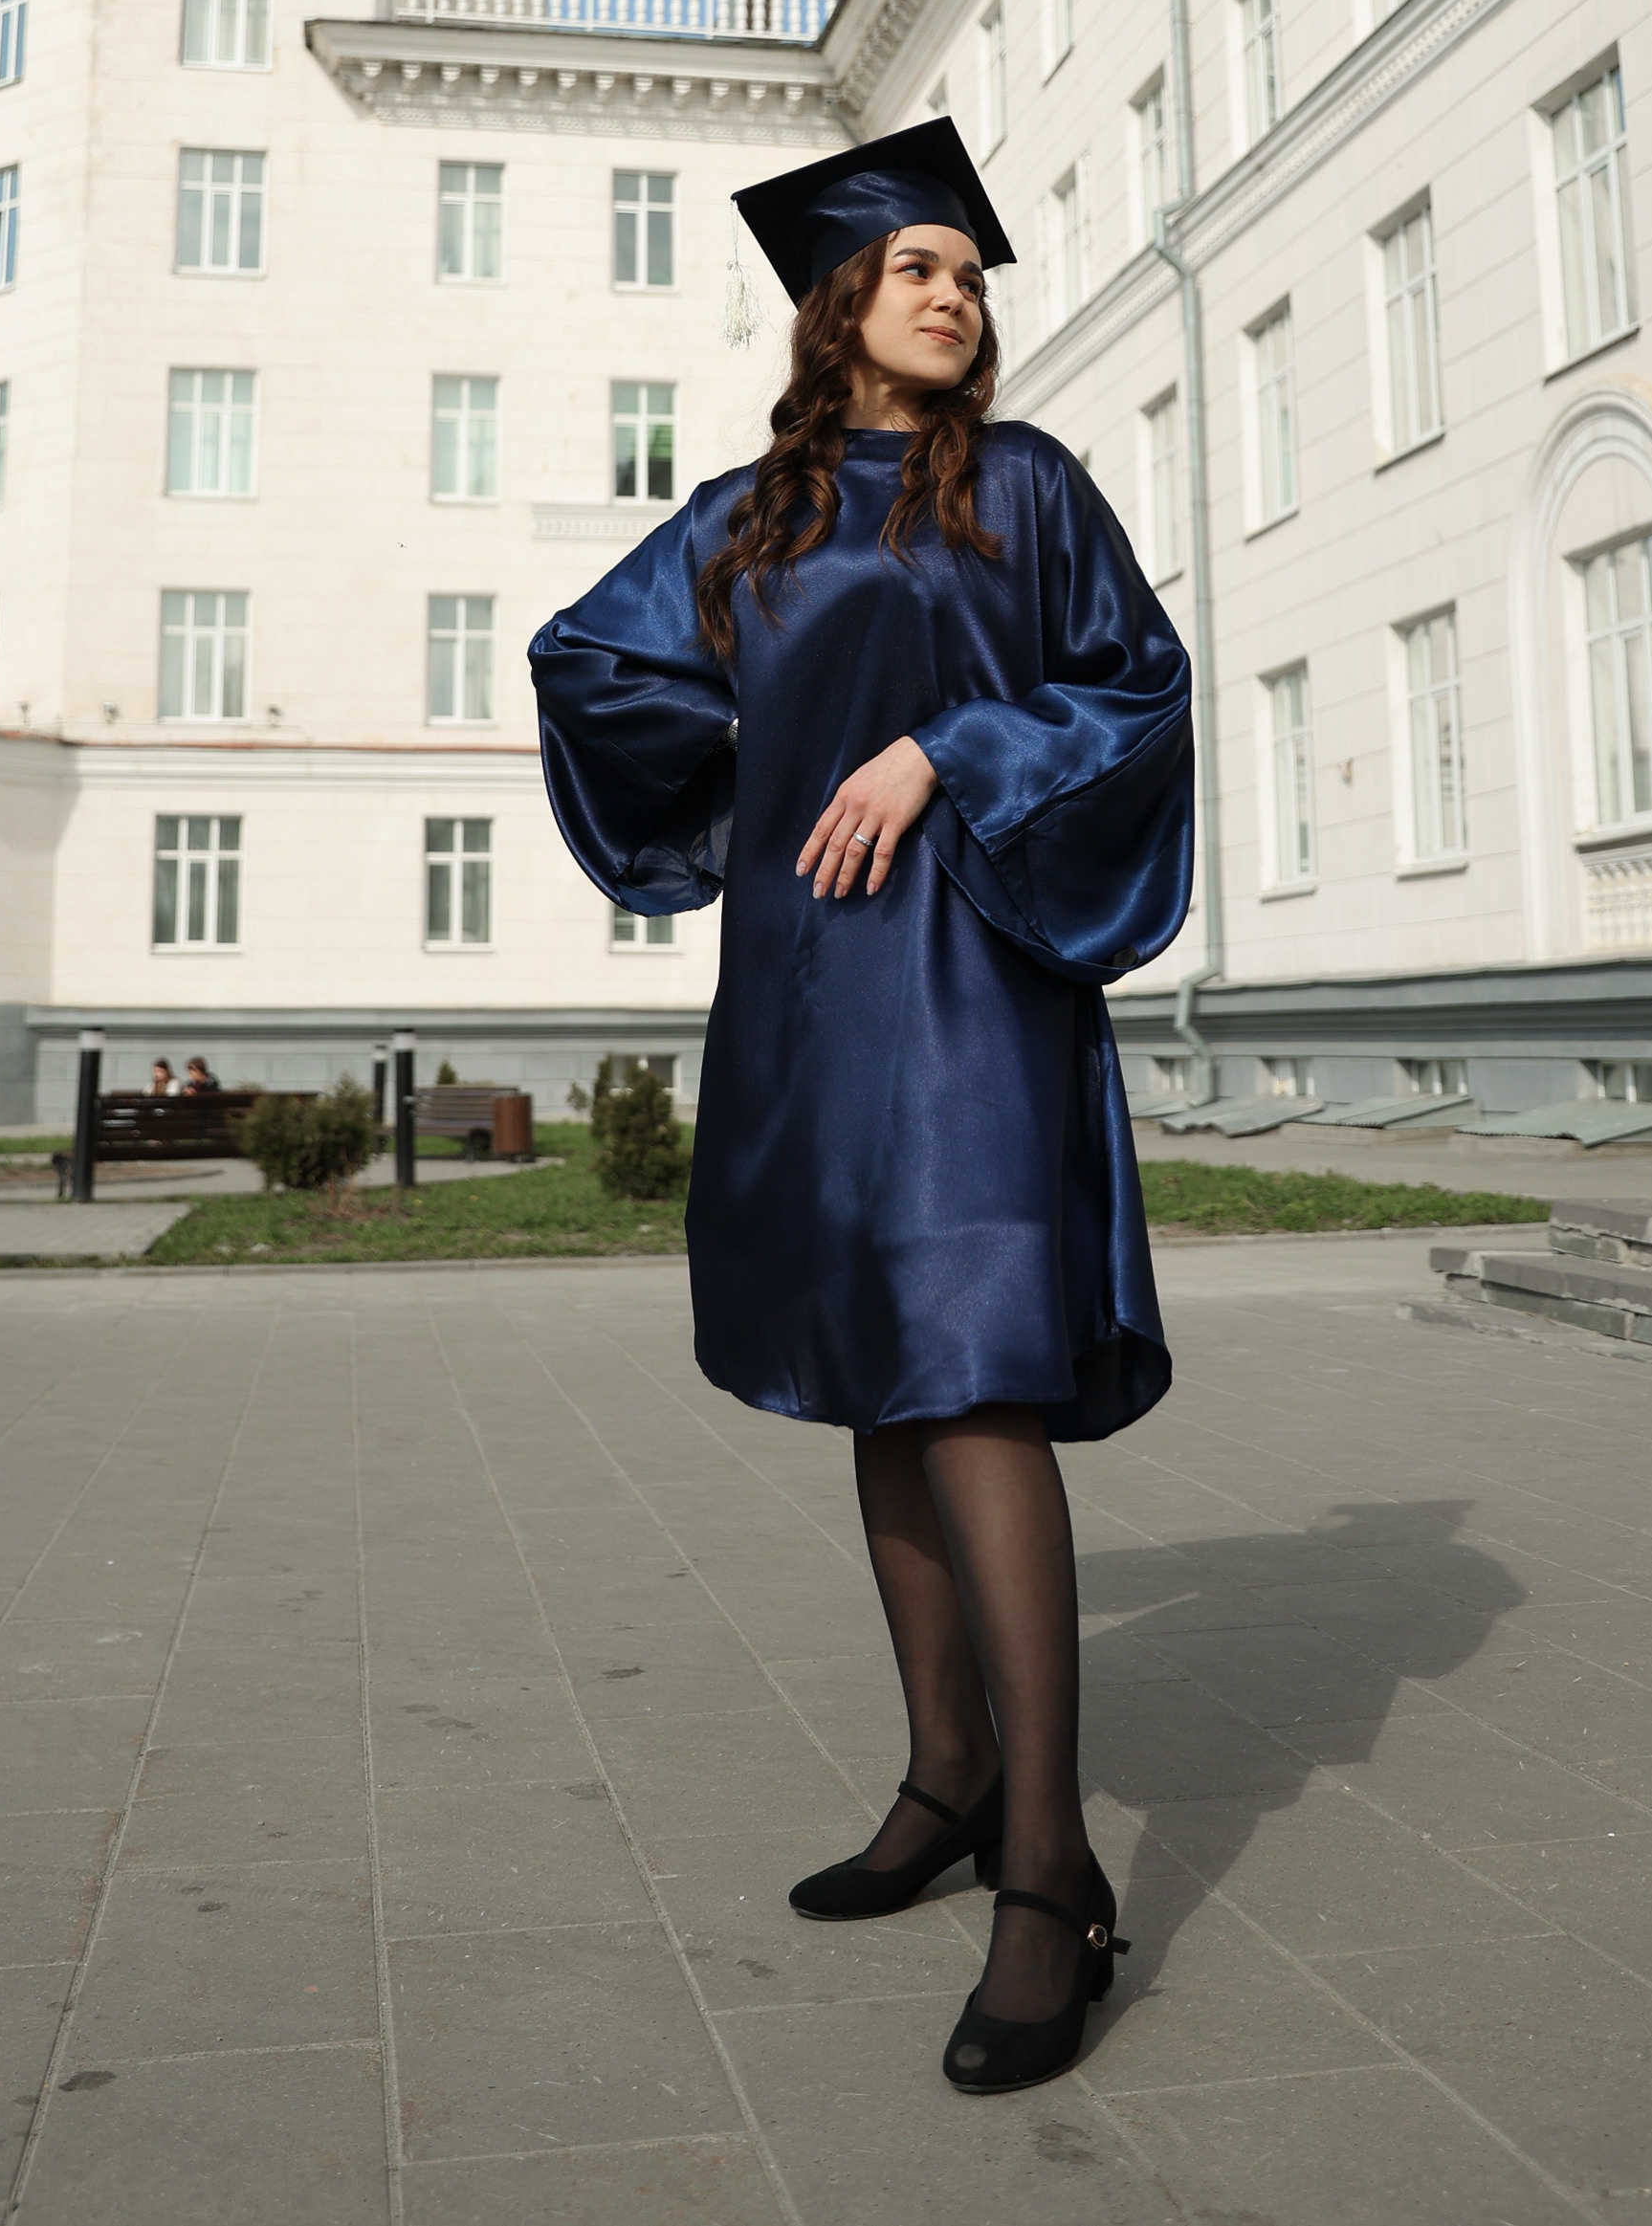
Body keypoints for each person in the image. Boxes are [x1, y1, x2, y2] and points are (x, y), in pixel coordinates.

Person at [530, 121, 1192, 2094]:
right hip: (813, 992)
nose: (951, 292)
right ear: (837, 303)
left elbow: (1139, 690)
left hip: (974, 982)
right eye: (914, 267)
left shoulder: (1034, 491)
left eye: (966, 273)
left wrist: (941, 742)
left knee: (974, 1371)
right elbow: (589, 661)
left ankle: (1051, 1873)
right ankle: (947, 1773)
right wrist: (766, 750)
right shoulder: (740, 521)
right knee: (876, 1376)